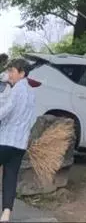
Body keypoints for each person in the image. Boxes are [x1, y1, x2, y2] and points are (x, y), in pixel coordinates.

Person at [0, 58, 36, 222]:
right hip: (20, 144)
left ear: (22, 73)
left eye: (12, 71)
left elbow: (6, 110)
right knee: (10, 177)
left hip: (5, 140)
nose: (9, 74)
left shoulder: (18, 89)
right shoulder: (31, 92)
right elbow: (32, 119)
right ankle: (6, 213)